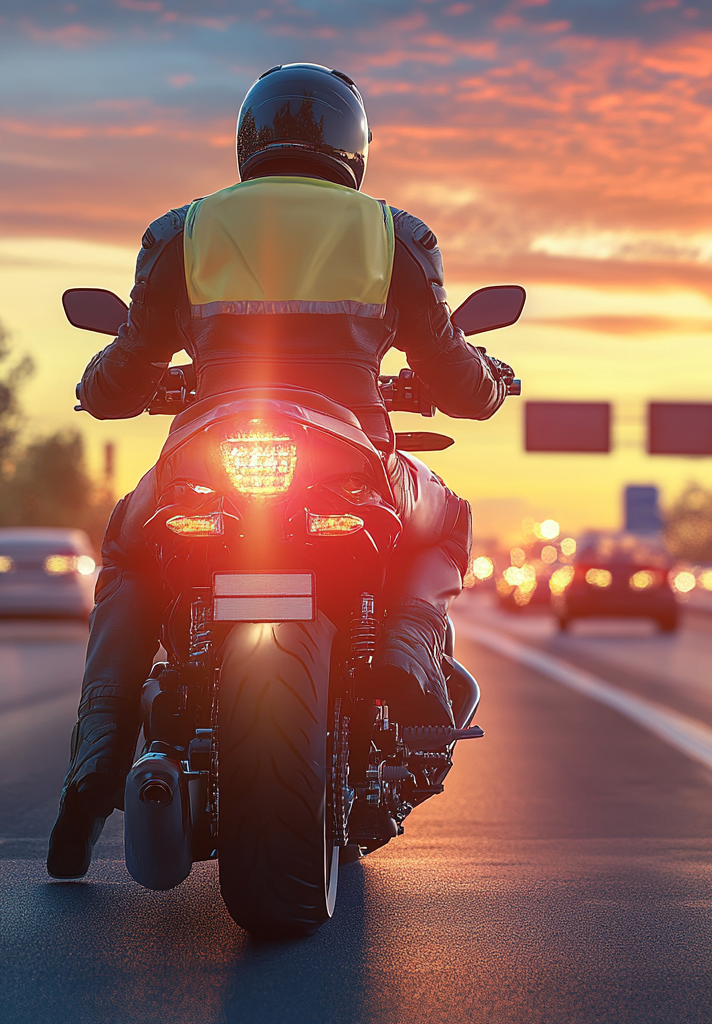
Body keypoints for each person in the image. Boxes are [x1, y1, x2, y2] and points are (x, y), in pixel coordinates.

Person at [47, 63, 511, 879]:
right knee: (445, 518)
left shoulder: (182, 230)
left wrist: (94, 385)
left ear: (248, 141)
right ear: (353, 144)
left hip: (206, 452)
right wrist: (490, 380)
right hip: (348, 457)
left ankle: (94, 765)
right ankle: (406, 649)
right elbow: (457, 382)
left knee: (129, 554)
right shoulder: (393, 233)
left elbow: (121, 379)